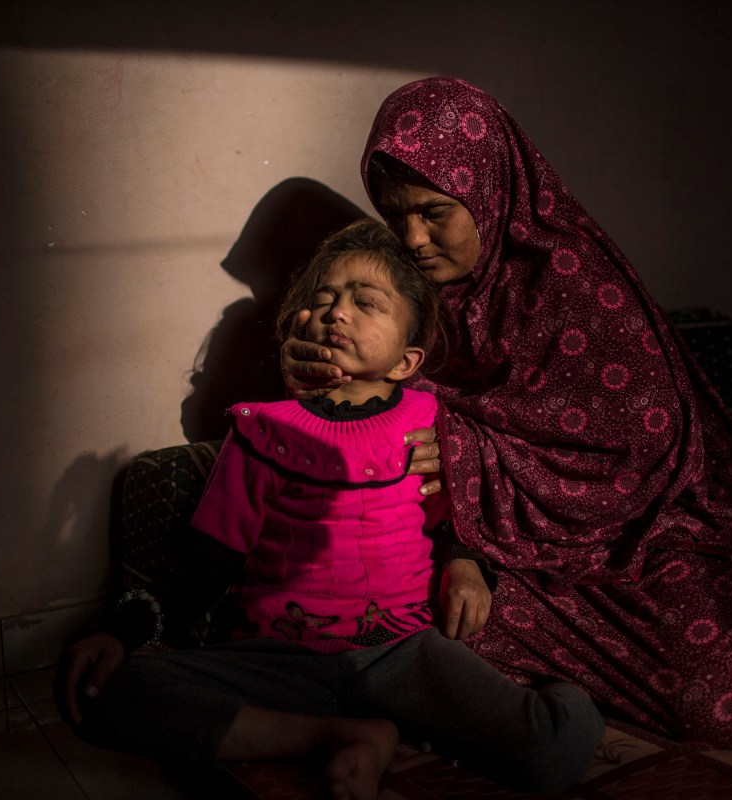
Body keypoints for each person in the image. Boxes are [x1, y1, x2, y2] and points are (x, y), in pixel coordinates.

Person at [282, 77, 732, 749]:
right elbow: (382, 417)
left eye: (433, 212)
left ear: (487, 190)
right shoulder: (407, 291)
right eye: (396, 217)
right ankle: (553, 679)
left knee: (719, 710)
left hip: (648, 533)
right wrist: (461, 553)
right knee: (408, 622)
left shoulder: (574, 285)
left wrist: (467, 453)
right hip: (499, 545)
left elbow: (635, 452)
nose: (413, 239)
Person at [61, 219, 605, 800]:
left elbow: (458, 523)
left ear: (406, 361)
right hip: (280, 660)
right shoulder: (262, 431)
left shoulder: (434, 427)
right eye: (324, 299)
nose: (337, 312)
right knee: (105, 692)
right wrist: (119, 630)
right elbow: (203, 564)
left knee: (555, 745)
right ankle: (334, 736)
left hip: (405, 654)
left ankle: (554, 688)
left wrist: (466, 562)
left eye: (366, 303)